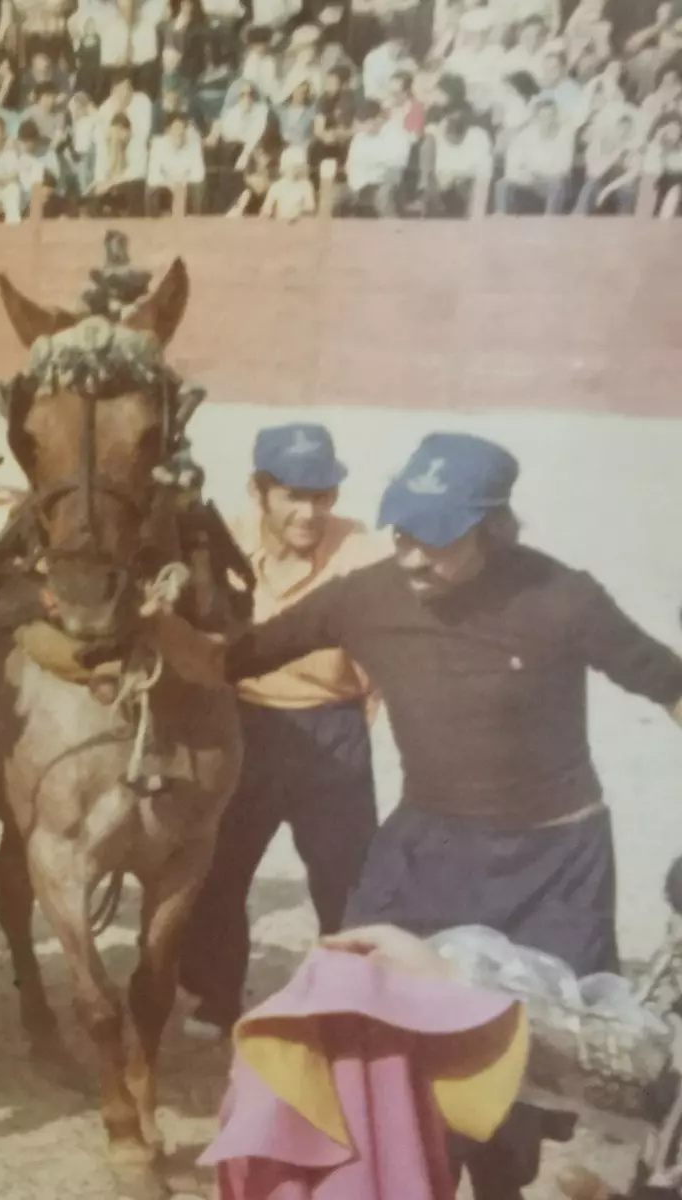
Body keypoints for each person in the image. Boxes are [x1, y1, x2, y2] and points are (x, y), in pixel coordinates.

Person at [145, 432, 682, 1200]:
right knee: (374, 1035)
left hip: (556, 865)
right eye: (401, 534)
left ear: (493, 528)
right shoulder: (367, 597)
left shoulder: (564, 599)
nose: (413, 557)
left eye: (438, 540)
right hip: (426, 852)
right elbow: (227, 660)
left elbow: (668, 682)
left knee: (525, 1073)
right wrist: (153, 622)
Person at [179, 424, 387, 1038]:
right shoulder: (221, 544)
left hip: (333, 730)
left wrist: (352, 718)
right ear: (259, 491)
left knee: (345, 879)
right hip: (244, 725)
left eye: (322, 496)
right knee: (220, 870)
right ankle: (217, 998)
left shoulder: (361, 551)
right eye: (293, 495)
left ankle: (348, 1009)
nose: (310, 512)